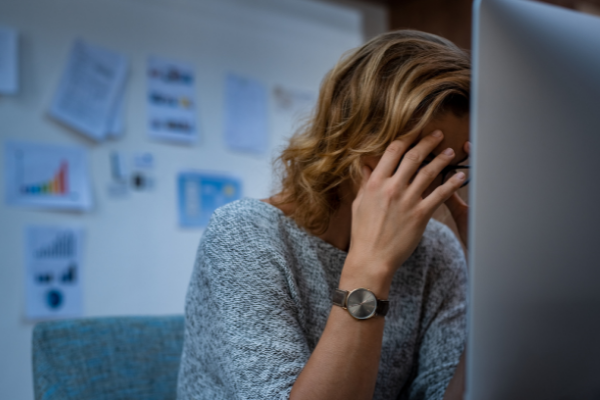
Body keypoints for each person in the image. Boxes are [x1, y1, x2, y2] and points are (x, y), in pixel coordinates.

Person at [177, 30, 471, 400]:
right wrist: (370, 267)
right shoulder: (244, 235)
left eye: (456, 169)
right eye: (422, 163)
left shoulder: (436, 250)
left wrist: (493, 291)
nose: (438, 189)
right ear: (355, 142)